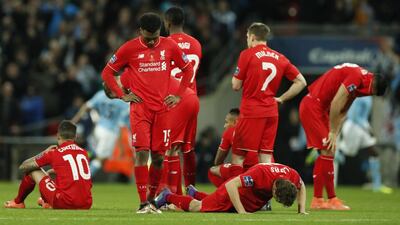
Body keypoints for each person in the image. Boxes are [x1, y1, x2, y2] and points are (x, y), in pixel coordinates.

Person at [101, 12, 194, 213]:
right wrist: (120, 95)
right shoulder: (129, 48)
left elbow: (188, 70)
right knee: (142, 153)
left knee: (159, 157)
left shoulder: (170, 46)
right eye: (148, 38)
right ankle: (143, 202)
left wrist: (178, 95)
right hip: (140, 109)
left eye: (155, 37)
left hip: (163, 110)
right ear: (140, 31)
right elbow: (107, 73)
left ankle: (151, 201)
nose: (152, 42)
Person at [299, 63, 388, 210]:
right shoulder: (357, 76)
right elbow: (335, 103)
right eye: (372, 92)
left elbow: (343, 111)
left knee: (327, 151)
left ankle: (318, 200)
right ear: (373, 86)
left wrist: (336, 131)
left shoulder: (361, 84)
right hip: (313, 107)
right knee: (328, 151)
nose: (369, 94)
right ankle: (331, 199)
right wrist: (332, 132)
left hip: (320, 109)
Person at [231, 22, 307, 176]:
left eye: (247, 37)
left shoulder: (247, 54)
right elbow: (301, 82)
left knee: (239, 155)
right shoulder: (280, 58)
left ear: (252, 37)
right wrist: (282, 98)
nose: (247, 40)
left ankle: (237, 196)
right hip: (271, 111)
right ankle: (266, 197)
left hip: (251, 111)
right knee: (265, 156)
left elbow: (235, 85)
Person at [153, 163, 307, 214]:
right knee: (197, 207)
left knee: (217, 207)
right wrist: (242, 212)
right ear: (274, 190)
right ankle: (167, 196)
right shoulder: (259, 175)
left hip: (249, 199)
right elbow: (231, 185)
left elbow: (303, 186)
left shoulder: (292, 176)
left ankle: (195, 193)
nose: (275, 200)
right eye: (277, 198)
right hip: (234, 193)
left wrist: (301, 210)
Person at [4, 120, 92, 209]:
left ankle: (18, 202)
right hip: (86, 204)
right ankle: (46, 201)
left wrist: (44, 152)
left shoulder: (55, 153)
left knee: (32, 170)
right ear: (75, 136)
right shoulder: (84, 153)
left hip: (64, 202)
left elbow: (23, 167)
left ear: (58, 136)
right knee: (51, 173)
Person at [164, 6, 202, 188]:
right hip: (192, 98)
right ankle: (191, 188)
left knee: (170, 149)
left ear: (167, 22)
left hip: (174, 99)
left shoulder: (164, 44)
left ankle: (173, 195)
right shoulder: (196, 43)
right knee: (188, 149)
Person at [337, 97, 392, 194]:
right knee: (346, 153)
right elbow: (354, 116)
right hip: (354, 127)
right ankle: (322, 152)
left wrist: (367, 128)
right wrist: (368, 128)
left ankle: (377, 185)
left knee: (374, 153)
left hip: (361, 128)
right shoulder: (361, 96)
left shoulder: (368, 97)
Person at [71, 89, 129, 177]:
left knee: (93, 154)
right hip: (110, 132)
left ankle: (80, 166)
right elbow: (122, 123)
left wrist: (74, 121)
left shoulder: (101, 94)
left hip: (98, 128)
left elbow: (86, 106)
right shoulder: (123, 100)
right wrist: (121, 145)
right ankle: (84, 179)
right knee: (101, 159)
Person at [208, 108, 258, 187]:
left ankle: (227, 194)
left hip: (244, 172)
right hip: (262, 172)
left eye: (226, 122)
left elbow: (218, 160)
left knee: (212, 170)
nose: (224, 126)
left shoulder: (230, 130)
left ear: (235, 122)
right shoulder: (256, 129)